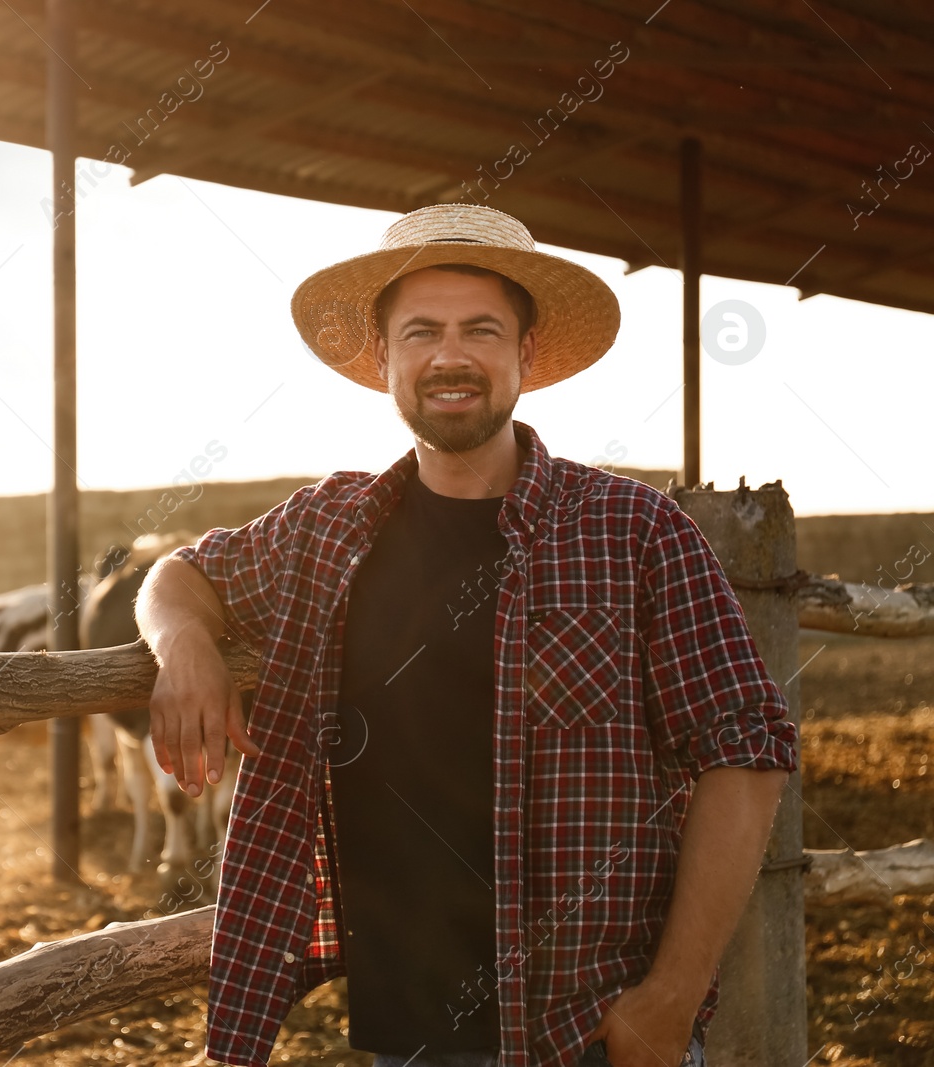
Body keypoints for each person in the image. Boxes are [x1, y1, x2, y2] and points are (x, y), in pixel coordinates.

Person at [133, 204, 796, 1067]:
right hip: (403, 1038)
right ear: (384, 361)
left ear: (525, 354)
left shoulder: (636, 531)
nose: (450, 355)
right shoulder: (326, 528)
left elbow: (744, 750)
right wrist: (184, 645)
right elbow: (176, 574)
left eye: (481, 329)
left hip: (588, 1036)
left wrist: (670, 1001)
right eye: (422, 332)